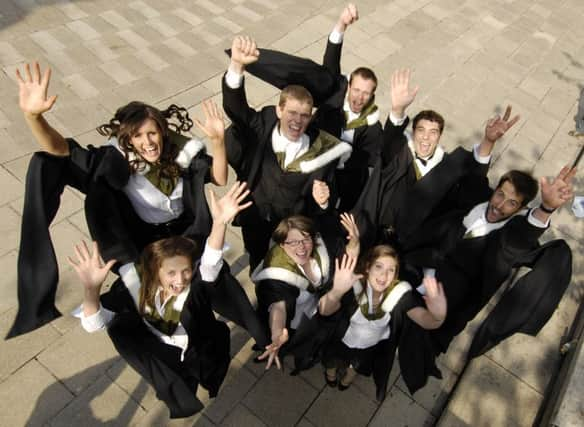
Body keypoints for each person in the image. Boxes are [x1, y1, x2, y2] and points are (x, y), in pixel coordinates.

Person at [8, 62, 227, 338]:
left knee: (209, 293)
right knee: (149, 306)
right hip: (146, 241)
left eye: (152, 133)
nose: (147, 142)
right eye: (137, 136)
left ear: (163, 132)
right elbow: (62, 150)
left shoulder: (179, 152)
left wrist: (218, 142)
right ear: (128, 140)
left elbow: (219, 178)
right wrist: (34, 118)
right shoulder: (114, 161)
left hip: (187, 232)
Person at [68, 181, 252, 419]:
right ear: (155, 272)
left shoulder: (193, 287)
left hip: (204, 348)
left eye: (186, 270)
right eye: (171, 274)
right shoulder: (132, 292)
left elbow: (210, 264)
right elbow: (96, 323)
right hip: (164, 359)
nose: (181, 280)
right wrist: (91, 289)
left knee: (208, 376)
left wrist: (219, 223)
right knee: (178, 391)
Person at [400, 166, 575, 392]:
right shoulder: (476, 204)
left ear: (520, 209)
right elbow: (474, 175)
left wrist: (546, 208)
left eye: (512, 203)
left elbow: (520, 238)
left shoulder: (504, 242)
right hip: (413, 280)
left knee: (415, 353)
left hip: (446, 309)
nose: (500, 205)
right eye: (501, 194)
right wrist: (489, 141)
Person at [222, 35, 352, 270]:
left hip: (291, 230)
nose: (297, 121)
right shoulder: (262, 125)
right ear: (280, 110)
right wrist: (237, 67)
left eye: (304, 115)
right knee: (257, 260)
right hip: (255, 218)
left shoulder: (321, 148)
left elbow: (329, 192)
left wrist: (324, 201)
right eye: (292, 112)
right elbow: (236, 109)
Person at [353, 68, 520, 249]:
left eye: (433, 133)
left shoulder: (448, 169)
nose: (426, 137)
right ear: (413, 132)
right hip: (371, 231)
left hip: (410, 248)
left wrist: (488, 141)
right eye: (421, 130)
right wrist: (398, 110)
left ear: (439, 137)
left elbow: (474, 186)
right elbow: (389, 142)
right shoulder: (400, 153)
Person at [317, 248, 446, 401]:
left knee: (356, 367)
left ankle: (346, 380)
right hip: (340, 340)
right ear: (367, 267)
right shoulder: (352, 285)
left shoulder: (399, 295)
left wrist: (438, 316)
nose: (384, 276)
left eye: (391, 270)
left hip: (369, 347)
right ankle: (330, 375)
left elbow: (425, 320)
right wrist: (336, 292)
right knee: (331, 361)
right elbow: (324, 311)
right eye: (378, 266)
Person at [251, 212, 360, 371]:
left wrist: (355, 241)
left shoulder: (322, 247)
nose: (301, 247)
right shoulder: (276, 274)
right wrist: (276, 333)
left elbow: (347, 259)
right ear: (282, 244)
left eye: (305, 239)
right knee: (303, 349)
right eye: (293, 242)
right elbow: (278, 306)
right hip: (297, 323)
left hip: (320, 310)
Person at [317, 3, 383, 211]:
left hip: (344, 183)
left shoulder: (373, 127)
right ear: (348, 87)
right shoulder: (333, 100)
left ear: (372, 95)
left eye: (365, 93)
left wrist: (344, 159)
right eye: (356, 90)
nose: (359, 97)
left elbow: (368, 160)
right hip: (314, 168)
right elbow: (330, 63)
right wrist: (341, 25)